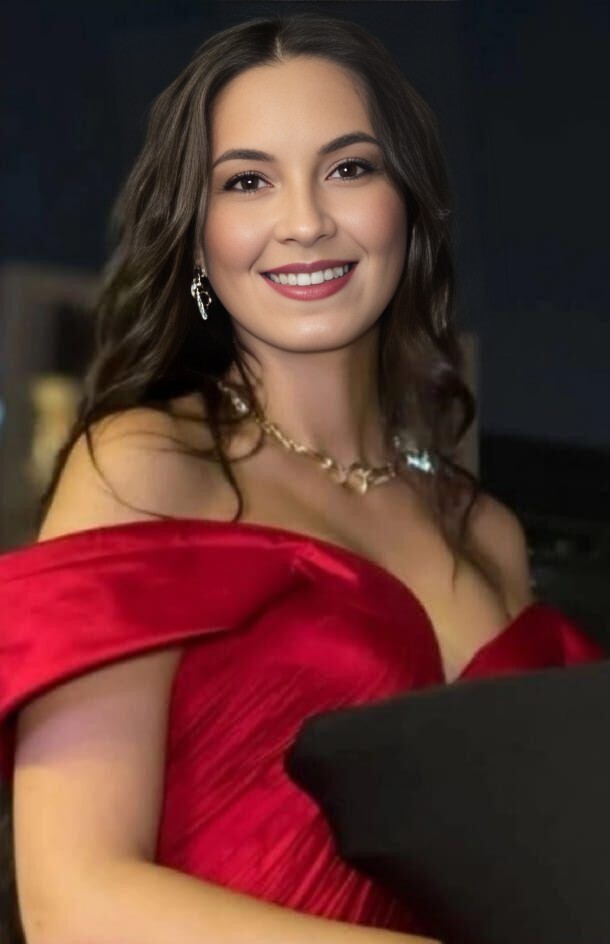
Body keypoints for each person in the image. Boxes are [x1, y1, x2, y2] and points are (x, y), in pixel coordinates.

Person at [0, 11, 604, 944]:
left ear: (411, 207)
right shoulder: (148, 465)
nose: (306, 220)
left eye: (349, 169)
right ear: (196, 239)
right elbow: (72, 904)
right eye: (248, 181)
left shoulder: (485, 531)